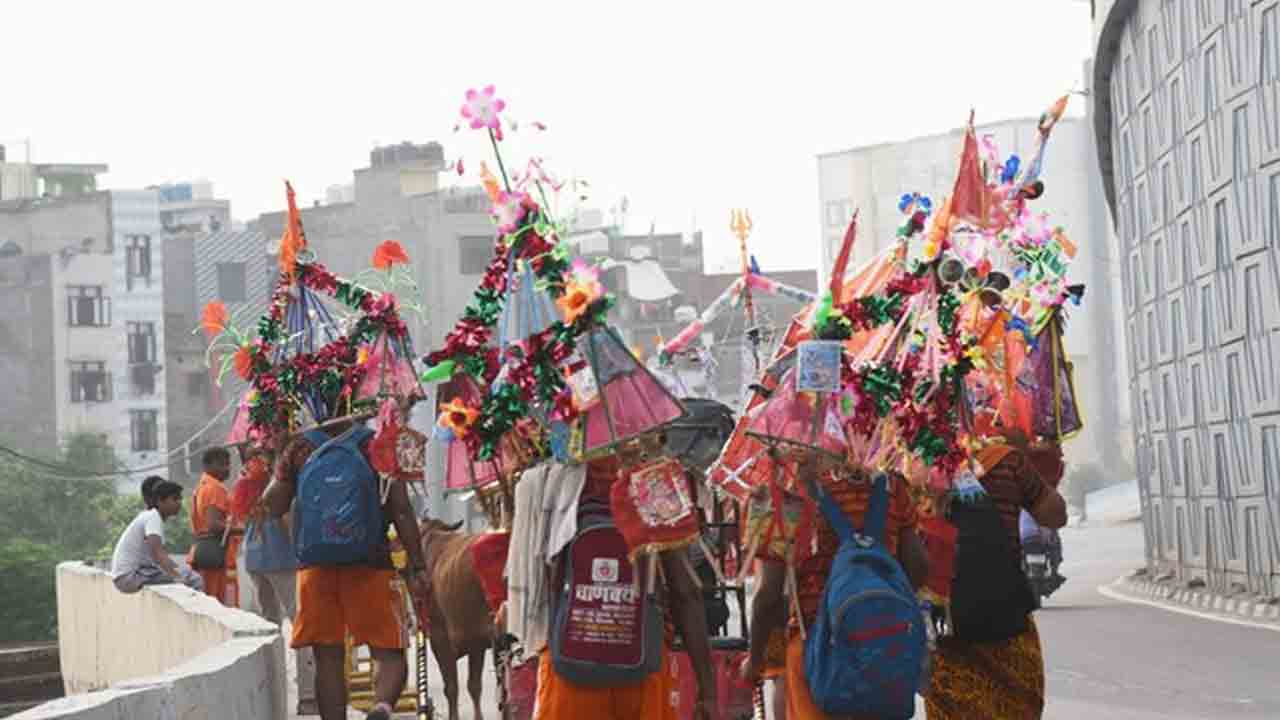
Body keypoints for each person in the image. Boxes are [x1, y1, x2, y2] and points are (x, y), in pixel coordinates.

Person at [263, 419, 429, 720]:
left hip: (316, 570)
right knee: (389, 652)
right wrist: (418, 566)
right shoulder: (378, 443)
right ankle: (382, 706)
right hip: (371, 564)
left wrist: (280, 456)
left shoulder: (299, 446)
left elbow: (272, 504)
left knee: (327, 658)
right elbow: (402, 509)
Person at [532, 454, 719, 720]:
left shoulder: (552, 481)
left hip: (569, 671)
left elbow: (534, 585)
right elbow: (685, 592)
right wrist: (707, 691)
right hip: (642, 668)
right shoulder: (655, 481)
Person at [744, 460, 927, 720]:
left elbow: (768, 596)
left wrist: (754, 660)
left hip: (815, 649)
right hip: (882, 647)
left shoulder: (789, 490)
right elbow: (918, 567)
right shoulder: (891, 486)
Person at [923, 434, 1068, 719]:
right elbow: (1056, 515)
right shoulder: (1005, 460)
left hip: (947, 635)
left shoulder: (911, 469)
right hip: (1008, 624)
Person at [239, 447, 317, 716]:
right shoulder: (282, 483)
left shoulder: (247, 480)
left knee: (269, 626)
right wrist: (301, 551)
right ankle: (308, 696)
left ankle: (271, 693)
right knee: (301, 625)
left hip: (254, 557)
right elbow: (285, 519)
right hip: (280, 558)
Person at [111, 479, 203, 593]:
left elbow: (160, 557)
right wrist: (178, 577)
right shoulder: (153, 517)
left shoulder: (149, 516)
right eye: (175, 499)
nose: (179, 502)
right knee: (194, 579)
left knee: (183, 572)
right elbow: (158, 554)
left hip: (127, 576)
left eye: (180, 499)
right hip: (131, 577)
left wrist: (175, 571)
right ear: (160, 501)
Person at [190, 447, 242, 604]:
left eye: (228, 464)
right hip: (217, 555)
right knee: (224, 606)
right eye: (221, 464)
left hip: (204, 553)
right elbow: (213, 525)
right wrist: (243, 529)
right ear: (207, 466)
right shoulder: (215, 488)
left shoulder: (202, 487)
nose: (227, 469)